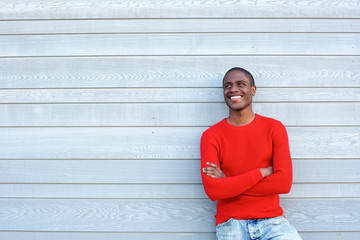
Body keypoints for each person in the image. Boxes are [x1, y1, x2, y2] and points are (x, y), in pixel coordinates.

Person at [200, 67, 302, 240]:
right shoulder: (211, 136)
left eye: (241, 84)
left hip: (272, 221)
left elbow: (283, 183)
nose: (233, 89)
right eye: (227, 86)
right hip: (231, 222)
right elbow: (214, 191)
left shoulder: (274, 128)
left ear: (253, 90)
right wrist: (262, 173)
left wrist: (228, 183)